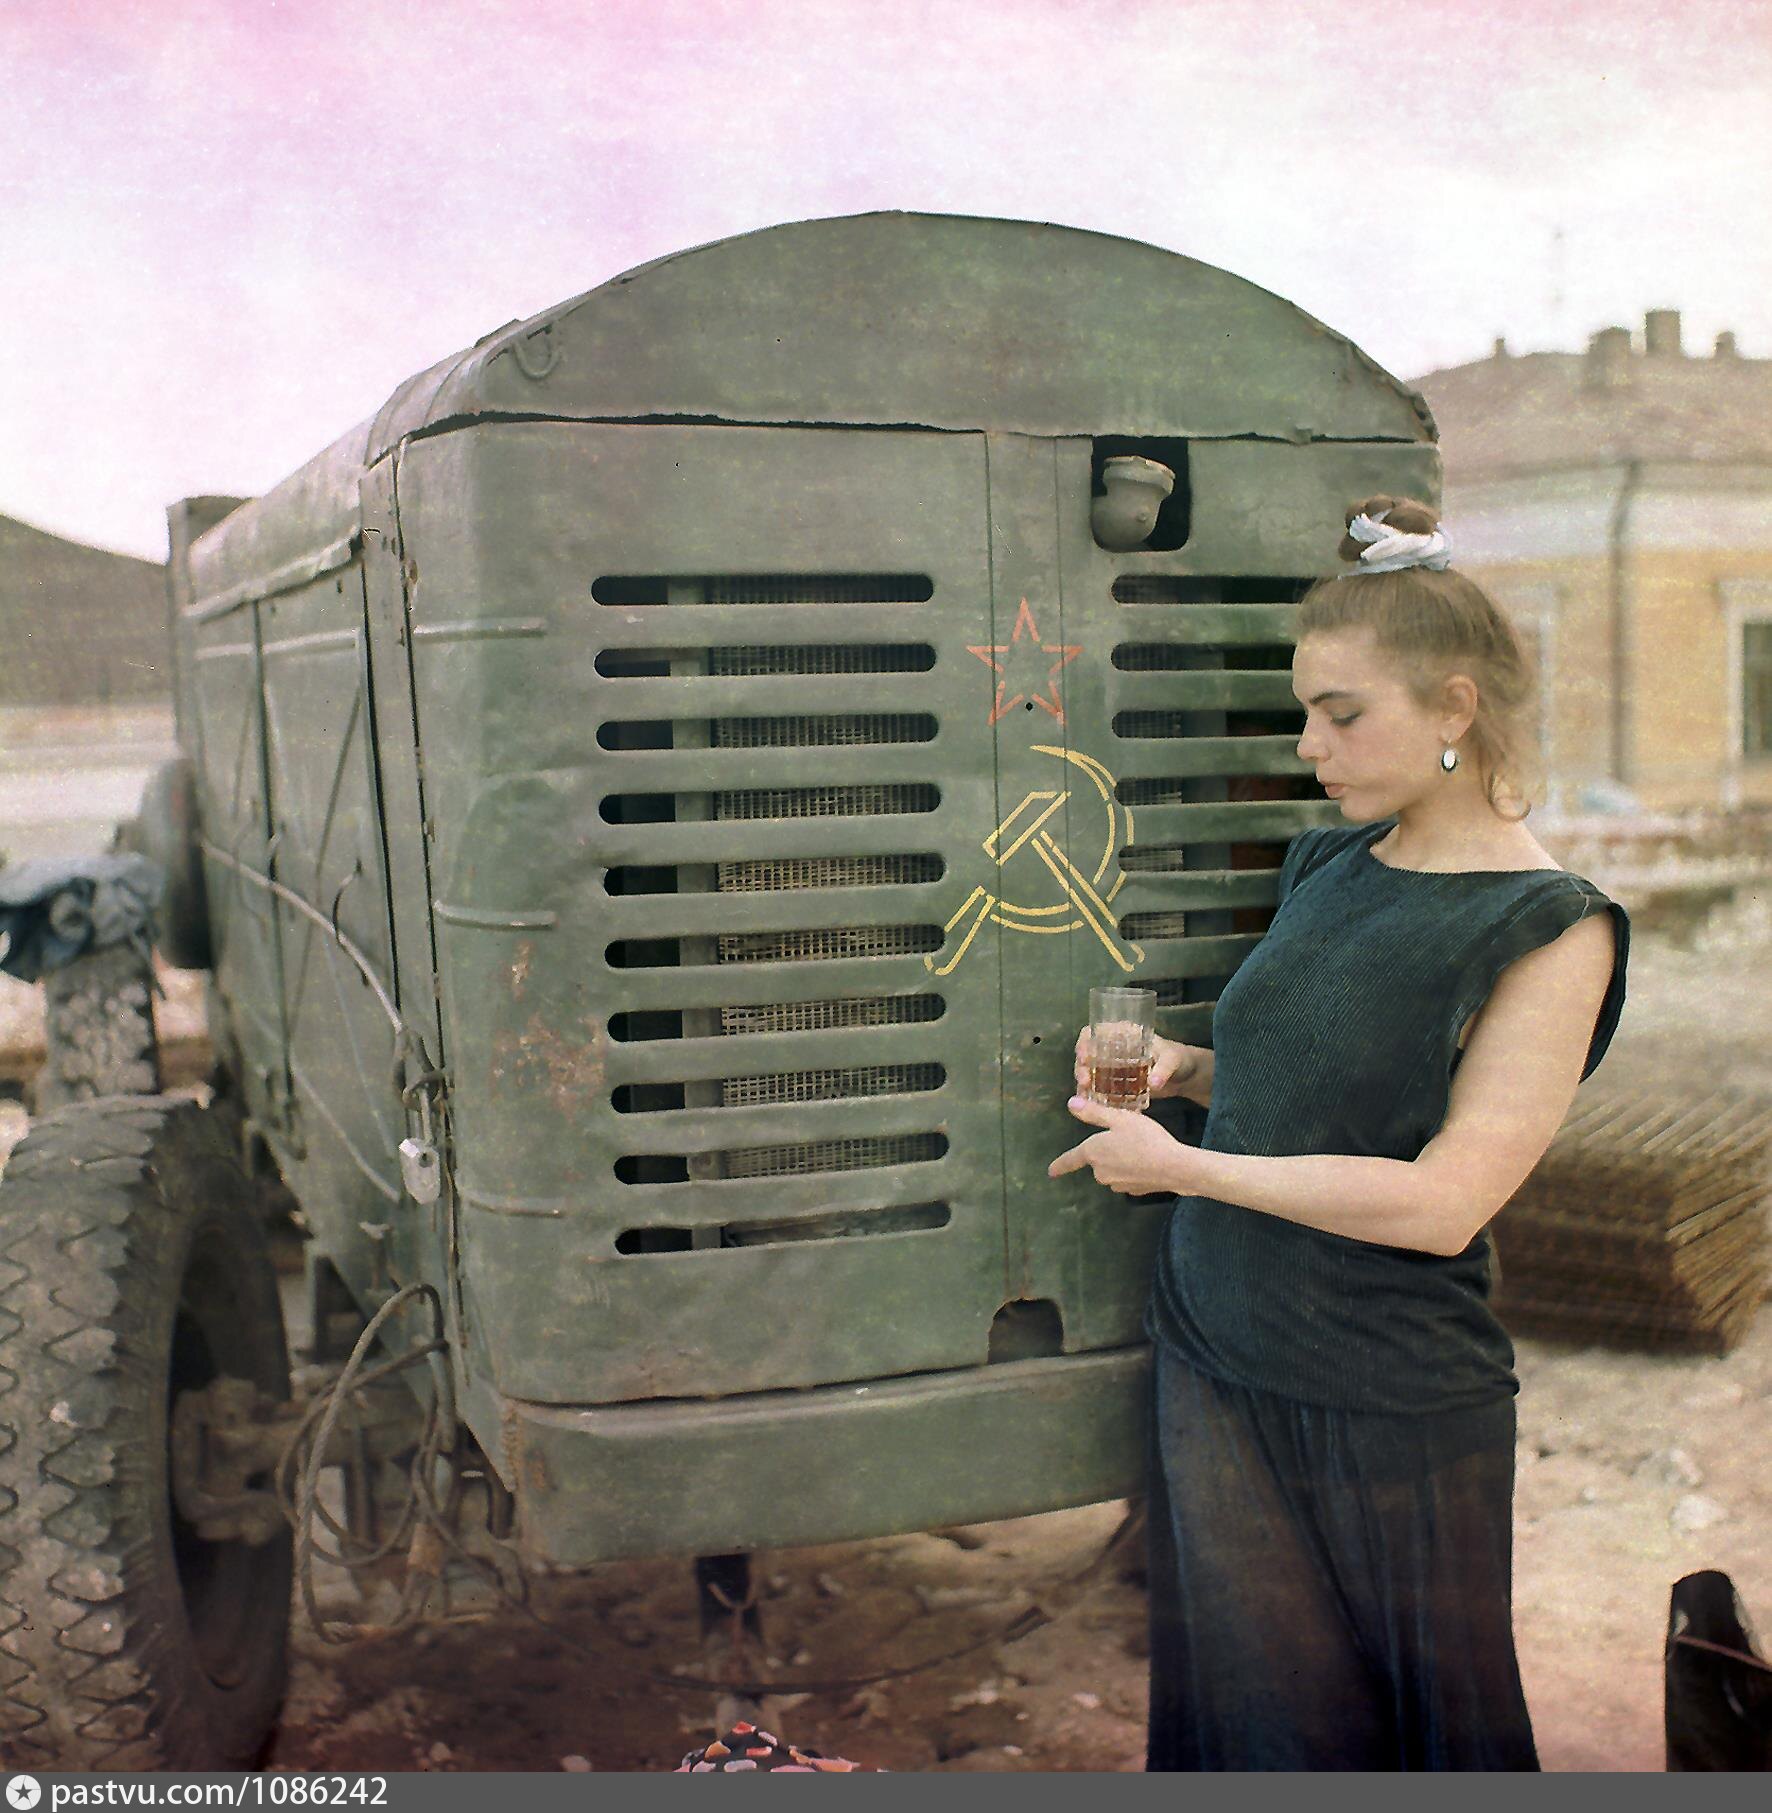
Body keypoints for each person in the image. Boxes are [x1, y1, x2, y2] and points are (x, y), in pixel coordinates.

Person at [1049, 494, 1631, 1771]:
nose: (1308, 743)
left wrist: (1183, 1165)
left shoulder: (1551, 926)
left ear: (1453, 708)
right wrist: (1191, 1070)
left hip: (1380, 1398)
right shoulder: (1326, 866)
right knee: (1248, 1733)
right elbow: (1321, 1084)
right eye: (1305, 709)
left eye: (1341, 713)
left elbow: (1442, 1199)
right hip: (1216, 1353)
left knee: (1399, 1741)